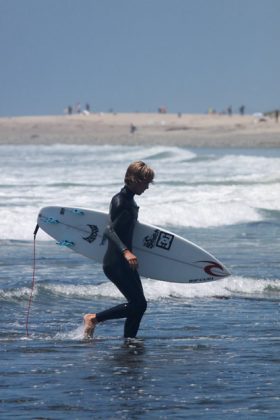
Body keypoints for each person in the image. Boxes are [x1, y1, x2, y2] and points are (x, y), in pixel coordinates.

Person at [83, 161, 155, 340]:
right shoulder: (120, 200)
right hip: (116, 262)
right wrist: (126, 251)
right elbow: (109, 230)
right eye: (145, 182)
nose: (147, 187)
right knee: (139, 304)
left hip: (125, 261)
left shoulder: (129, 200)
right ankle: (94, 318)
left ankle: (129, 342)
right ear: (134, 179)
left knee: (139, 305)